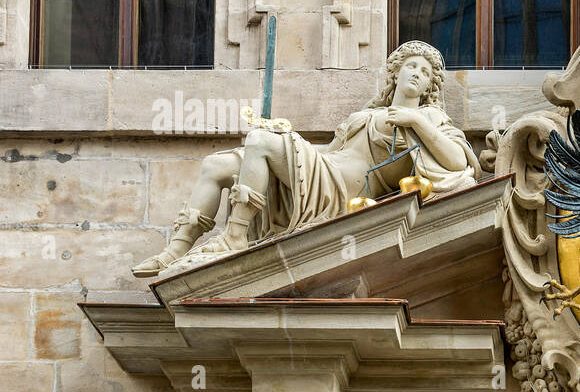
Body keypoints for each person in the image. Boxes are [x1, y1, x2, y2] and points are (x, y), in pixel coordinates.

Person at [132, 41, 480, 277]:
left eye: (424, 71)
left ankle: (234, 236)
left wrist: (416, 120)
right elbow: (333, 151)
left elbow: (455, 162)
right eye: (410, 65)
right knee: (217, 165)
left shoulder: (432, 119)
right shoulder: (369, 113)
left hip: (343, 191)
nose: (416, 72)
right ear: (396, 72)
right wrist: (290, 144)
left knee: (260, 142)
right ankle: (176, 249)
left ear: (430, 86)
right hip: (325, 166)